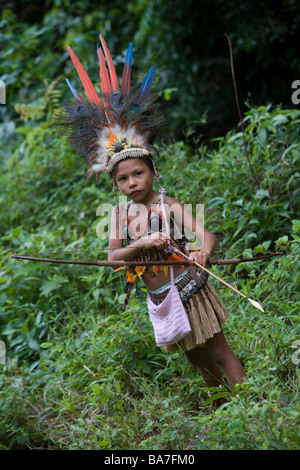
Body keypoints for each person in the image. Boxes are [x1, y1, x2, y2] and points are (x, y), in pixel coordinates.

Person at [57, 34, 245, 409]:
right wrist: (139, 245)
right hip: (159, 297)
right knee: (195, 357)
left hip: (190, 286)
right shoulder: (118, 217)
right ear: (114, 183)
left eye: (137, 174)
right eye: (122, 179)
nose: (131, 184)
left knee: (219, 350)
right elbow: (113, 260)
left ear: (152, 172)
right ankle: (221, 408)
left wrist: (202, 254)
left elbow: (205, 236)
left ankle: (253, 407)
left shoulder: (167, 203)